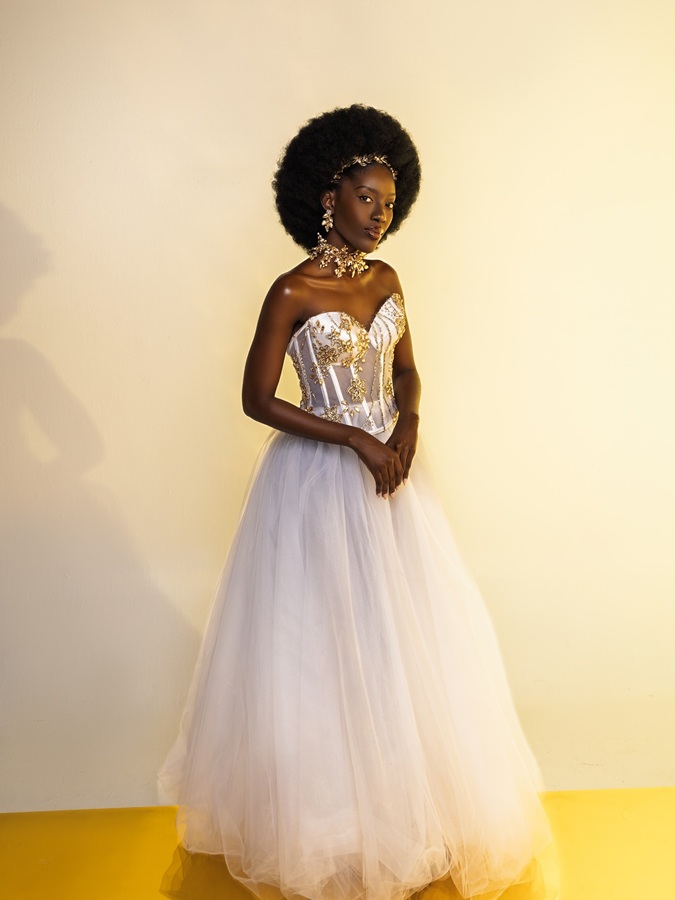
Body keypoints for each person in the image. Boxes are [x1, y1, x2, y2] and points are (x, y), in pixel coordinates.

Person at [160, 105, 554, 900]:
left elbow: (406, 369)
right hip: (316, 483)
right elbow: (256, 398)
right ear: (326, 196)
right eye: (366, 197)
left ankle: (406, 815)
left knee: (401, 635)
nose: (379, 215)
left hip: (394, 475)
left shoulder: (387, 280)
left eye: (388, 201)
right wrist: (352, 439)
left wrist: (407, 422)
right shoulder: (291, 290)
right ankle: (328, 827)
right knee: (320, 639)